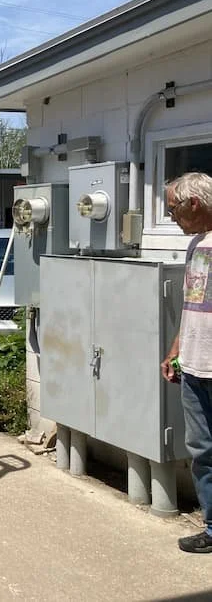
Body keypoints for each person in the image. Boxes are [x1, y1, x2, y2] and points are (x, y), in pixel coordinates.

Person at [161, 171, 212, 554]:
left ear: (193, 203)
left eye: (172, 209)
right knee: (202, 452)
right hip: (194, 368)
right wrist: (176, 350)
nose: (171, 217)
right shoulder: (196, 245)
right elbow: (192, 304)